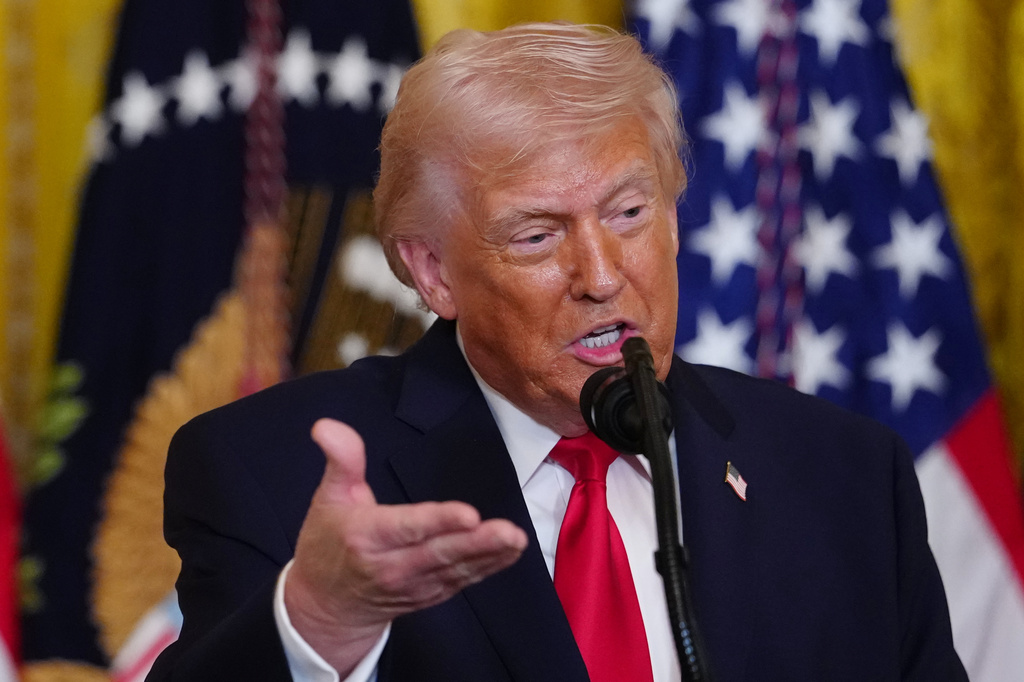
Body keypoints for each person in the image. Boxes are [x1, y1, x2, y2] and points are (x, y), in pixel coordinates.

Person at [147, 22, 967, 682]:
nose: (603, 276)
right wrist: (321, 621)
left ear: (673, 217)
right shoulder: (269, 475)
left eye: (629, 214)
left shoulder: (847, 477)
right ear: (433, 273)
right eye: (537, 236)